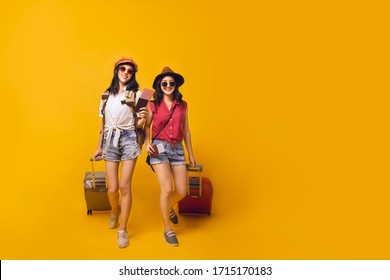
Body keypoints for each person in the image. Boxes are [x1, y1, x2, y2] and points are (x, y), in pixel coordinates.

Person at [93, 57, 148, 248]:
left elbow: (140, 124)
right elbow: (103, 123)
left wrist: (143, 117)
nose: (125, 72)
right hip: (109, 139)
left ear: (133, 74)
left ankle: (122, 230)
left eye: (130, 70)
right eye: (122, 68)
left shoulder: (140, 94)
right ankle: (114, 211)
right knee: (112, 188)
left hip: (129, 139)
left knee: (125, 187)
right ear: (116, 70)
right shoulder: (105, 95)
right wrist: (99, 146)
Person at [144, 66, 196, 246]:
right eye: (164, 83)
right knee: (166, 189)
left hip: (178, 148)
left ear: (176, 85)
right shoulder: (151, 104)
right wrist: (147, 143)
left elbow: (186, 131)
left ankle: (169, 208)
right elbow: (146, 126)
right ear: (159, 85)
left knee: (181, 191)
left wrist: (191, 154)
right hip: (159, 147)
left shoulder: (183, 105)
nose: (168, 85)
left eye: (171, 83)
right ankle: (168, 228)